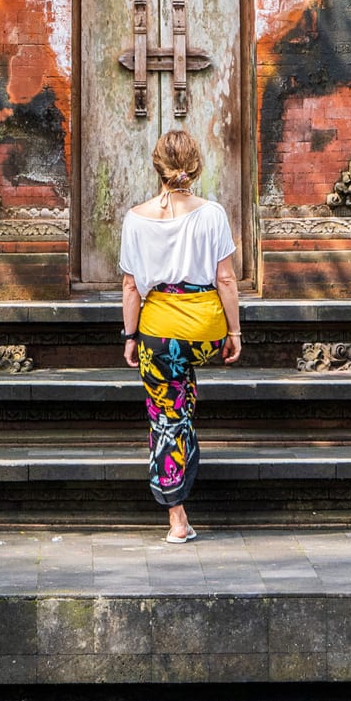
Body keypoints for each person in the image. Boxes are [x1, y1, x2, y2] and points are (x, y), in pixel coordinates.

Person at [118, 129, 242, 544]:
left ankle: (176, 518)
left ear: (157, 167)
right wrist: (234, 330)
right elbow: (225, 277)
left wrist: (130, 335)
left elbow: (131, 287)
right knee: (181, 389)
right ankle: (182, 406)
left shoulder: (136, 218)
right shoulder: (213, 213)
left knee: (166, 415)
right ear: (196, 166)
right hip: (206, 330)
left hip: (158, 331)